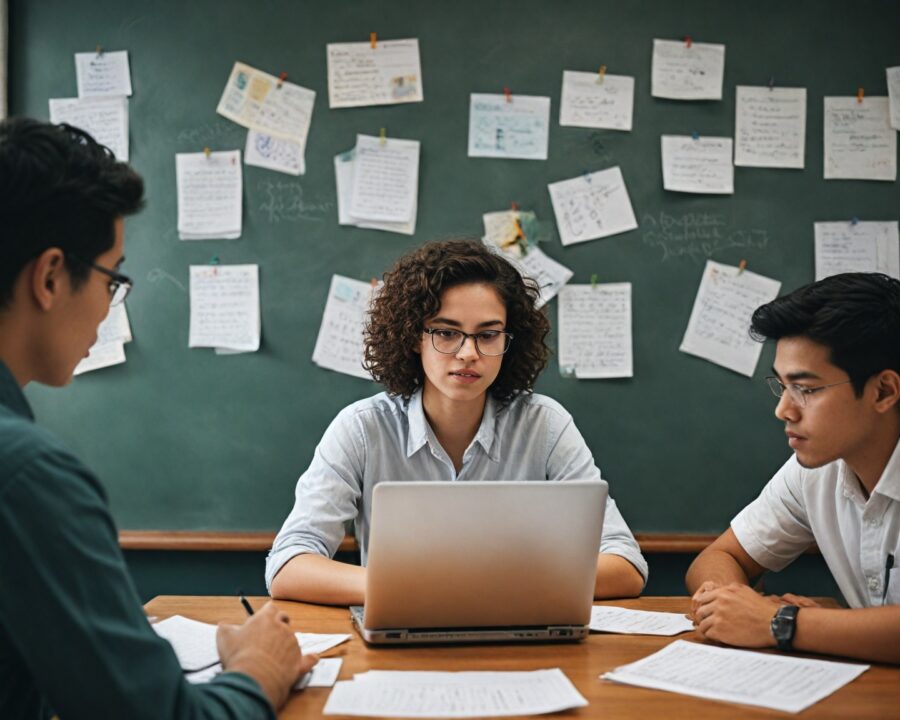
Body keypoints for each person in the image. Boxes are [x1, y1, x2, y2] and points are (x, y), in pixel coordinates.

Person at [0, 118, 316, 719]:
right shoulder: (27, 476)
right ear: (50, 277)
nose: (110, 306)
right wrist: (259, 667)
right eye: (112, 277)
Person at [267, 239, 647, 605]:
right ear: (413, 337)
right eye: (446, 333)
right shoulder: (362, 429)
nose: (468, 353)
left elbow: (625, 565)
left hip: (514, 630)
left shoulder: (545, 426)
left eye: (488, 334)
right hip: (402, 622)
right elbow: (288, 565)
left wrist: (487, 590)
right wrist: (409, 588)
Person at [686, 272, 900, 664]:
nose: (783, 410)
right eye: (783, 386)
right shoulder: (815, 470)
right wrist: (736, 605)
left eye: (806, 389)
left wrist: (779, 622)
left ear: (883, 391)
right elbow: (719, 557)